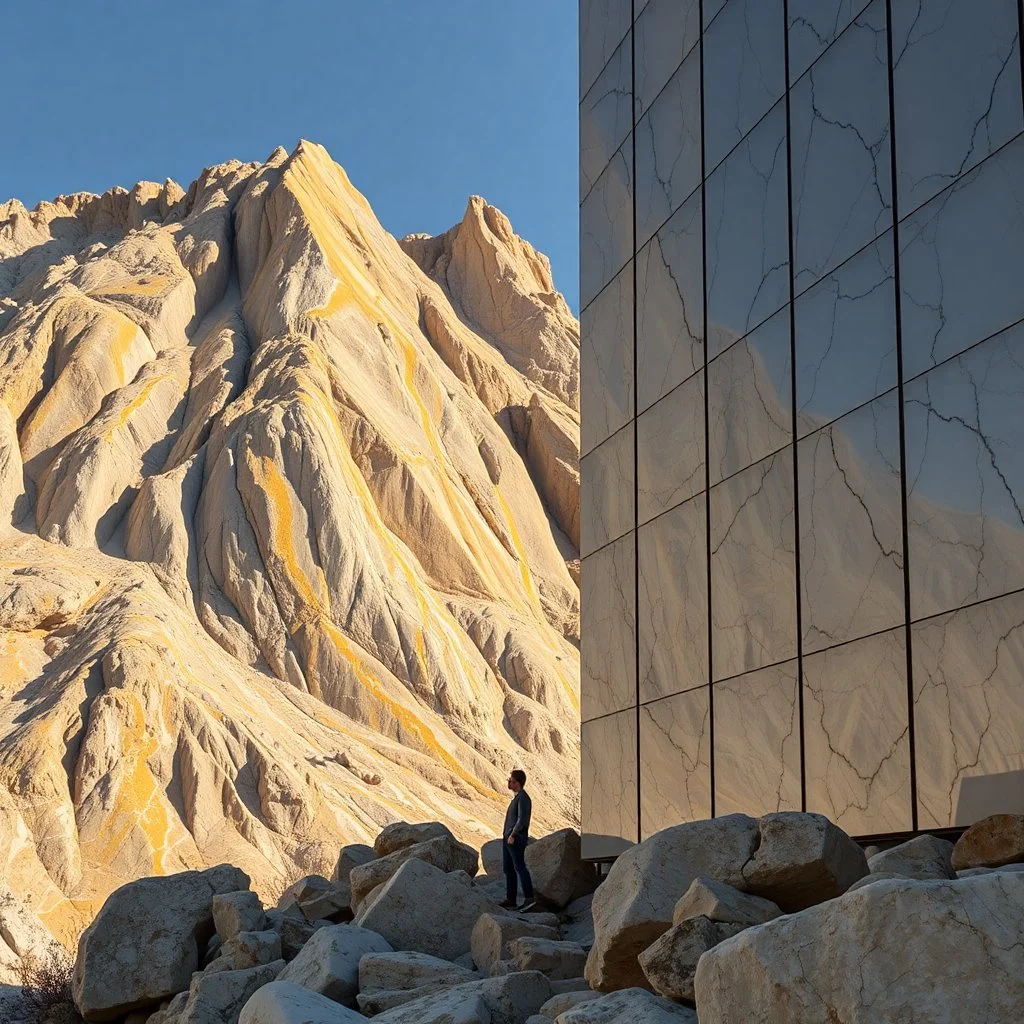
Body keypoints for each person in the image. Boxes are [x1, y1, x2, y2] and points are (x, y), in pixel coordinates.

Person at [500, 768, 535, 910]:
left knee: (520, 867)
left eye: (512, 781)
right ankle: (511, 899)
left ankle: (529, 897)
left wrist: (513, 834)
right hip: (508, 838)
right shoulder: (517, 797)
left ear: (518, 783)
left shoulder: (523, 798)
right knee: (508, 869)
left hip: (515, 838)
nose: (509, 783)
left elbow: (522, 820)